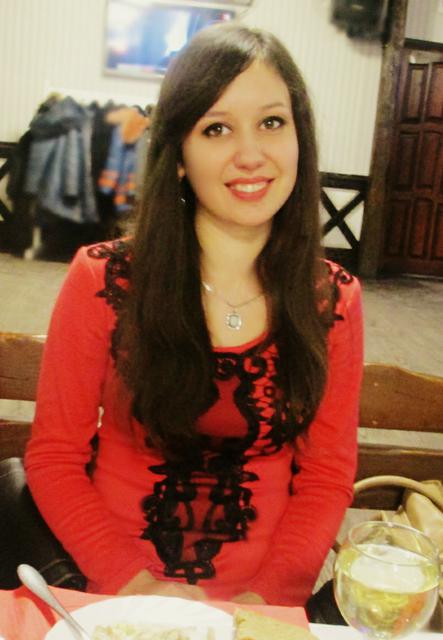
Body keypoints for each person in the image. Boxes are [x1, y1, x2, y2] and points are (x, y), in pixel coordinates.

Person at [25, 23, 363, 607]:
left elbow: (326, 476)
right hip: (114, 593)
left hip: (262, 606)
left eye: (272, 122)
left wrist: (264, 603)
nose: (251, 154)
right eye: (216, 128)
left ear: (299, 138)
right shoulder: (102, 280)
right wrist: (136, 588)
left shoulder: (332, 299)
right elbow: (55, 457)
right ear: (179, 154)